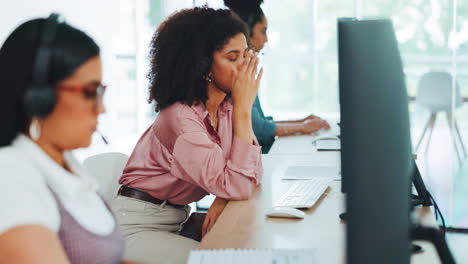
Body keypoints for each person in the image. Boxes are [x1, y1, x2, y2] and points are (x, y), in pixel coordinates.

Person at [111, 6, 264, 264]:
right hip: (136, 227)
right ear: (203, 65)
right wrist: (244, 112)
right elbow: (239, 181)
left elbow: (252, 173)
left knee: (251, 243)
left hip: (175, 220)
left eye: (246, 55)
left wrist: (223, 196)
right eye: (232, 57)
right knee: (224, 261)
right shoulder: (180, 118)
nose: (244, 67)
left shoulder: (226, 107)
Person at [0, 14, 135, 264]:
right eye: (91, 92)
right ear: (39, 98)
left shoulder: (67, 164)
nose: (102, 108)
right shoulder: (11, 175)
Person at [224, 0, 331, 153]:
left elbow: (259, 121)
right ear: (247, 32)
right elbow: (257, 128)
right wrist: (301, 127)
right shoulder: (236, 74)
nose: (266, 39)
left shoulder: (247, 69)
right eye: (263, 31)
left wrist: (302, 121)